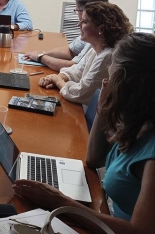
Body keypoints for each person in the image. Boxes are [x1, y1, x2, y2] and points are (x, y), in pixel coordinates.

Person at [14, 33, 155, 233]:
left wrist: (59, 201)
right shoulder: (136, 120)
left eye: (112, 66)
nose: (108, 73)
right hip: (104, 214)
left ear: (127, 79)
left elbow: (138, 231)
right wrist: (103, 106)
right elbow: (94, 160)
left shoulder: (152, 151)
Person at [38, 1, 133, 104]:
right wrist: (56, 78)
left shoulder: (107, 57)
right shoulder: (94, 50)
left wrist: (57, 81)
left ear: (101, 28)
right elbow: (76, 71)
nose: (79, 24)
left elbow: (80, 93)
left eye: (84, 22)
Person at [23, 0, 109, 72]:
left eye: (76, 10)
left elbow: (74, 67)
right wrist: (43, 53)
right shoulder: (90, 30)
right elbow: (71, 50)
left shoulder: (95, 35)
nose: (78, 24)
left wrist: (40, 57)